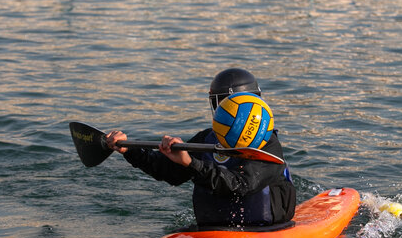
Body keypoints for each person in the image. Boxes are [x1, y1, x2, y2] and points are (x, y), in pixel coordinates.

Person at [105, 68, 296, 229]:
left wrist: (190, 162)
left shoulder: (268, 144)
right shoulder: (206, 139)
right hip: (212, 229)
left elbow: (239, 185)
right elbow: (169, 172)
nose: (225, 111)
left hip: (265, 229)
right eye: (219, 103)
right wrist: (129, 151)